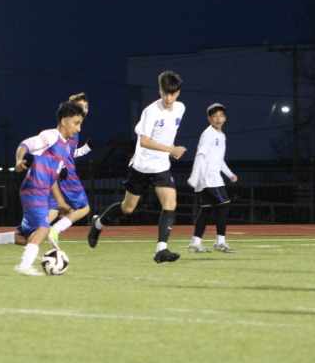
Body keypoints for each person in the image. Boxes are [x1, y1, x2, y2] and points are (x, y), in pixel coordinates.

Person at [0, 100, 85, 276]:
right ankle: (24, 266)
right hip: (34, 188)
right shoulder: (51, 136)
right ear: (64, 121)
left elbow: (52, 177)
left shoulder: (64, 148)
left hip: (38, 190)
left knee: (26, 238)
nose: (78, 129)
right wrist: (19, 160)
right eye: (76, 123)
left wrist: (61, 202)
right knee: (44, 228)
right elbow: (26, 144)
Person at [87, 70, 187, 263]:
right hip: (142, 166)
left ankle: (161, 250)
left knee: (170, 203)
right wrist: (171, 149)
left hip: (161, 167)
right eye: (165, 93)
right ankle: (97, 224)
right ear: (159, 90)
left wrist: (169, 150)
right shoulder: (151, 111)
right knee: (128, 208)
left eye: (172, 93)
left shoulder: (180, 109)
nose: (168, 98)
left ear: (178, 93)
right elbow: (144, 141)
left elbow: (166, 134)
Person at [187, 103, 238, 253]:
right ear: (209, 118)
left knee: (206, 210)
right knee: (225, 204)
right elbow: (200, 154)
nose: (218, 118)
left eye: (221, 115)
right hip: (209, 177)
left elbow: (218, 159)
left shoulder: (221, 136)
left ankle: (195, 243)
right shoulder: (209, 134)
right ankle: (220, 242)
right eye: (214, 116)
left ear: (225, 118)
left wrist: (230, 174)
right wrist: (194, 176)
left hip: (212, 177)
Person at [47, 92, 95, 249]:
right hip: (67, 175)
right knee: (84, 208)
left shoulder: (74, 127)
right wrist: (62, 168)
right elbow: (59, 148)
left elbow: (70, 152)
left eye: (86, 106)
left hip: (57, 173)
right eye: (81, 106)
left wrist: (86, 149)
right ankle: (55, 230)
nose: (85, 109)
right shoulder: (69, 127)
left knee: (54, 210)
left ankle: (32, 235)